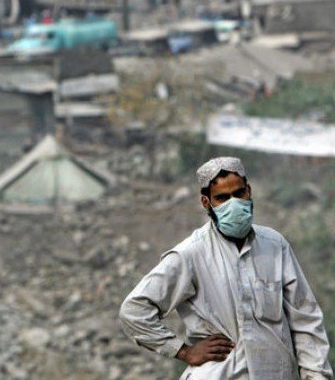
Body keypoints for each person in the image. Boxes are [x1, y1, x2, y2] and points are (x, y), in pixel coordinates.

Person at [119, 156, 333, 379]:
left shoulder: (274, 245)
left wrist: (317, 375)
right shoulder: (191, 253)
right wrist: (183, 351)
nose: (234, 203)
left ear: (248, 191)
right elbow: (134, 310)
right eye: (222, 198)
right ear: (207, 203)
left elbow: (305, 319)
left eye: (239, 194)